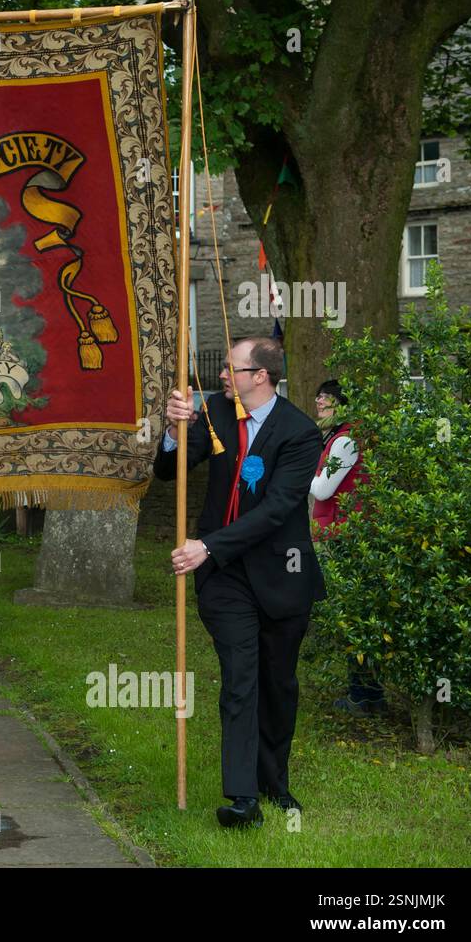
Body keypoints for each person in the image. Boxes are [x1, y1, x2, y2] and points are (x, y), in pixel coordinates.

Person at [155, 337, 325, 828]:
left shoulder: (300, 432)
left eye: (233, 369)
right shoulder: (215, 413)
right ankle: (243, 798)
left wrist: (206, 545)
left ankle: (274, 782)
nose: (223, 376)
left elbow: (276, 510)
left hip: (283, 573)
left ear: (261, 376)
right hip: (225, 577)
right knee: (240, 680)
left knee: (278, 684)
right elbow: (170, 470)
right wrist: (173, 430)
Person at [309, 379, 381, 715]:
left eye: (327, 398)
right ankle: (369, 692)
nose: (319, 402)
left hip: (344, 536)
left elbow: (323, 490)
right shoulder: (340, 438)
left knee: (353, 615)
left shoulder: (345, 441)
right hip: (345, 533)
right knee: (358, 614)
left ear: (343, 404)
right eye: (318, 396)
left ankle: (363, 694)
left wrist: (299, 470)